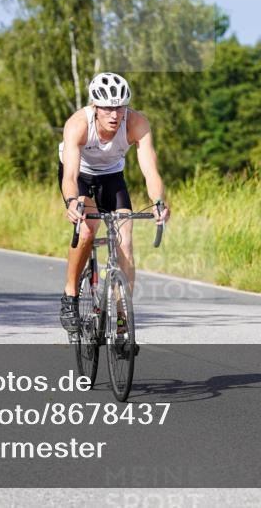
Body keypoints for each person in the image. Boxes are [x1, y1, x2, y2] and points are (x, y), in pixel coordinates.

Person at [58, 72, 170, 335]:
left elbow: (150, 171)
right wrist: (73, 202)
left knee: (125, 242)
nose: (114, 114)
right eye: (107, 107)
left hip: (111, 176)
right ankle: (70, 294)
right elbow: (70, 176)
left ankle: (121, 322)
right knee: (87, 229)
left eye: (119, 107)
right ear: (95, 107)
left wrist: (157, 202)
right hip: (80, 177)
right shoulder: (78, 124)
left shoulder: (137, 123)